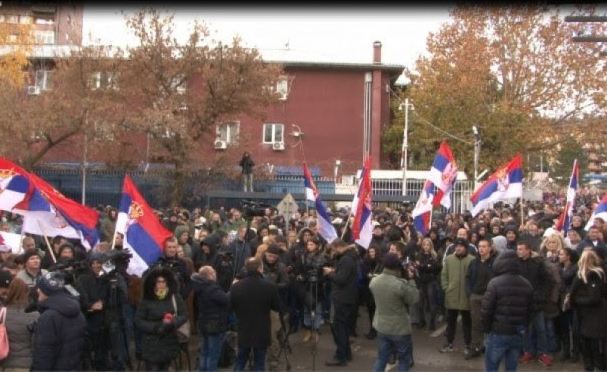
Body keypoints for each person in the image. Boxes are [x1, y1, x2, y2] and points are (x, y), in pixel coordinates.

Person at [481, 250, 533, 372]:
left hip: (498, 331)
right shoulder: (527, 284)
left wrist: (487, 328)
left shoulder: (494, 283)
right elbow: (531, 311)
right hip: (517, 332)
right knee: (512, 367)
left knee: (491, 367)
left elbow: (486, 310)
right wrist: (523, 327)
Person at [369, 253, 419, 372]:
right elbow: (413, 298)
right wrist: (411, 280)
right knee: (404, 359)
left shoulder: (374, 282)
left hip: (381, 326)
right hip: (399, 328)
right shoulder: (399, 284)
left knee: (381, 358)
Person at [230, 257, 280, 372]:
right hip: (261, 330)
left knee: (240, 361)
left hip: (244, 329)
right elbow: (277, 307)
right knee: (259, 363)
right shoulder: (269, 286)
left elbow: (230, 306)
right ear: (260, 268)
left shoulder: (236, 287)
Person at [31, 271, 86, 371]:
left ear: (47, 291)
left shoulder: (49, 317)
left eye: (40, 288)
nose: (38, 290)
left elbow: (44, 353)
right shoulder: (78, 312)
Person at [135, 267, 188, 371]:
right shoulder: (147, 299)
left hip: (169, 340)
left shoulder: (175, 297)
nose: (161, 284)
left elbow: (184, 315)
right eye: (158, 282)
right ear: (153, 283)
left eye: (164, 282)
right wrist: (155, 327)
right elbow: (138, 320)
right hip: (151, 343)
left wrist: (172, 323)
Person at [566, 250, 607, 371]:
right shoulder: (595, 275)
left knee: (593, 346)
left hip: (593, 316)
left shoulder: (593, 276)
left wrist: (576, 300)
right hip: (587, 316)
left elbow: (594, 298)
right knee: (589, 345)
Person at [517, 240, 556, 367]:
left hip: (536, 303)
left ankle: (543, 353)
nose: (519, 251)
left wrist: (541, 296)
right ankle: (528, 351)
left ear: (528, 250)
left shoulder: (537, 264)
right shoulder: (516, 265)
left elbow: (549, 281)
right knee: (525, 329)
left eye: (522, 249)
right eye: (518, 249)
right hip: (522, 303)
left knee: (541, 329)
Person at [323, 239, 359, 367]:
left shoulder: (346, 260)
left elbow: (341, 279)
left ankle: (341, 356)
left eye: (333, 249)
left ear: (338, 247)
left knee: (339, 327)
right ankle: (346, 353)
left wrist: (330, 273)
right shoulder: (348, 258)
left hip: (342, 298)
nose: (332, 252)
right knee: (342, 326)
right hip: (346, 297)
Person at [440, 237, 475, 356]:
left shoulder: (472, 260)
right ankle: (449, 343)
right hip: (452, 296)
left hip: (466, 297)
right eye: (457, 246)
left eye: (461, 246)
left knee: (467, 323)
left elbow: (474, 278)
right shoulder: (449, 259)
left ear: (466, 248)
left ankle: (468, 344)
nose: (458, 248)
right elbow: (444, 275)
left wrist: (471, 292)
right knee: (450, 322)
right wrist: (446, 288)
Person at [191, 265, 230, 372]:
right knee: (213, 354)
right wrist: (233, 289)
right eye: (213, 272)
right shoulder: (212, 288)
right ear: (209, 275)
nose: (215, 273)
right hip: (214, 324)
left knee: (204, 351)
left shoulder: (200, 286)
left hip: (203, 322)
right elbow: (226, 300)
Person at [465, 238, 496, 359]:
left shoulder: (494, 263)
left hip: (489, 296)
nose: (481, 249)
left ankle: (490, 347)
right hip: (475, 296)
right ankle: (476, 346)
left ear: (489, 248)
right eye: (480, 246)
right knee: (476, 323)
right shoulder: (474, 262)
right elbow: (467, 278)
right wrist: (469, 293)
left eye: (484, 246)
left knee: (490, 322)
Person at [2, 278, 39, 370]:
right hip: (26, 363)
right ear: (27, 293)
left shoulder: (2, 312)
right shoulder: (35, 314)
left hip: (4, 361)